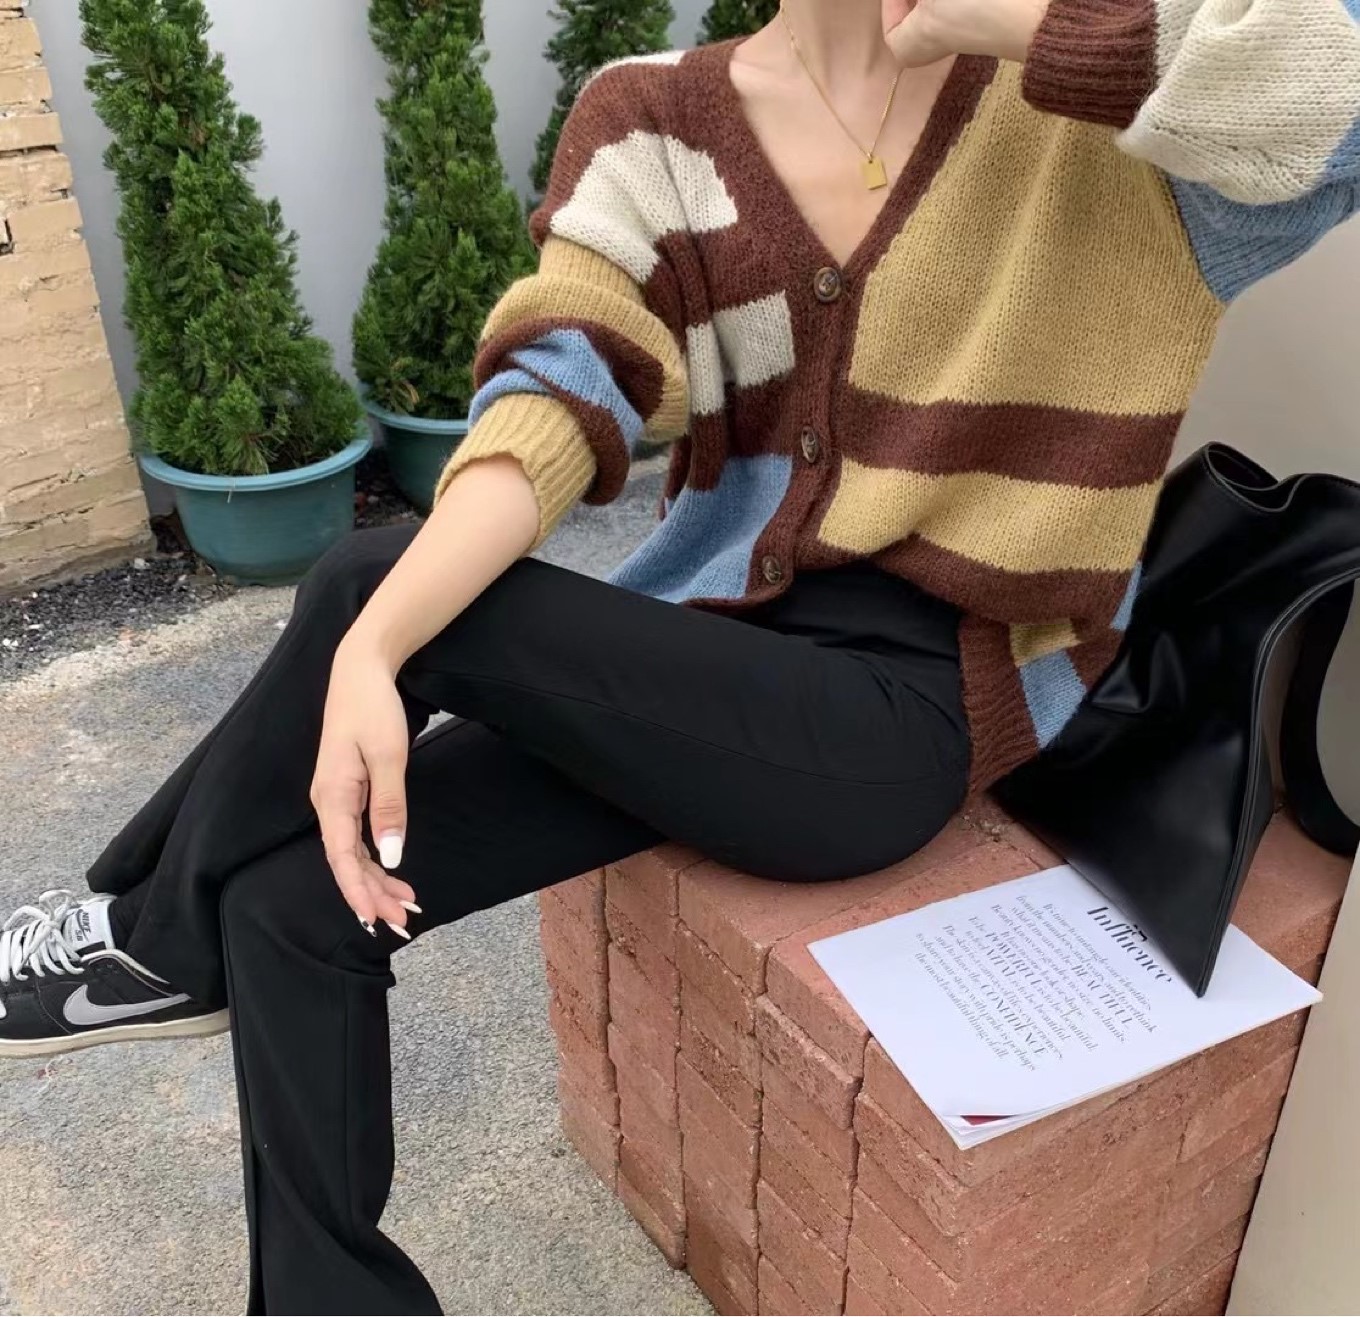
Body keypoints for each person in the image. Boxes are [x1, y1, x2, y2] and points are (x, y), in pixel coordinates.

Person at [2, 0, 1357, 1310]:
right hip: (710, 658)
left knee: (371, 583)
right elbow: (558, 387)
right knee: (292, 900)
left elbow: (1340, 106)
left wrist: (1015, 20)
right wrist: (375, 651)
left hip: (907, 712)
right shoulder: (653, 119)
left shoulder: (1102, 116)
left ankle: (147, 938)